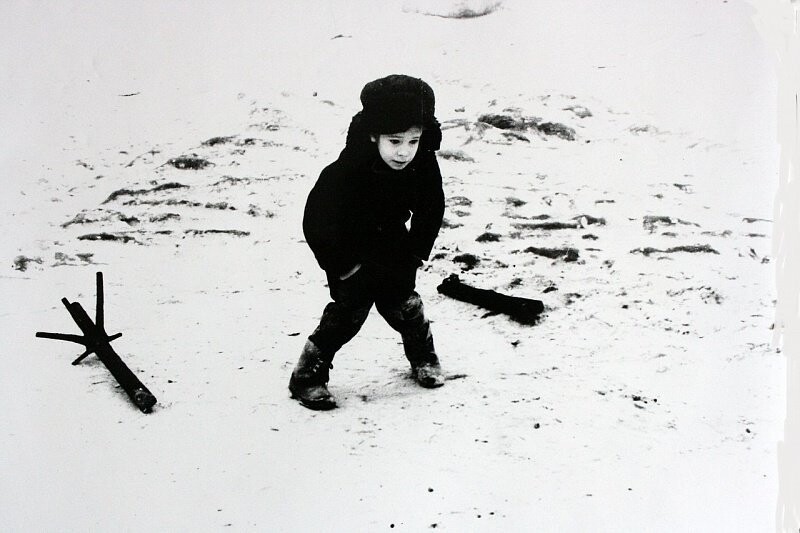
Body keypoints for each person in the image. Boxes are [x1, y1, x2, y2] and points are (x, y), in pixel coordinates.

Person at [290, 74, 446, 410]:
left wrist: (416, 251)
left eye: (413, 141)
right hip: (351, 250)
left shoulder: (422, 165)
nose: (404, 152)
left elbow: (432, 207)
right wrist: (343, 264)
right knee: (348, 314)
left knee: (404, 306)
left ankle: (423, 357)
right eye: (394, 141)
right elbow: (317, 220)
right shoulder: (345, 171)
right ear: (374, 134)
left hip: (394, 247)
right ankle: (307, 376)